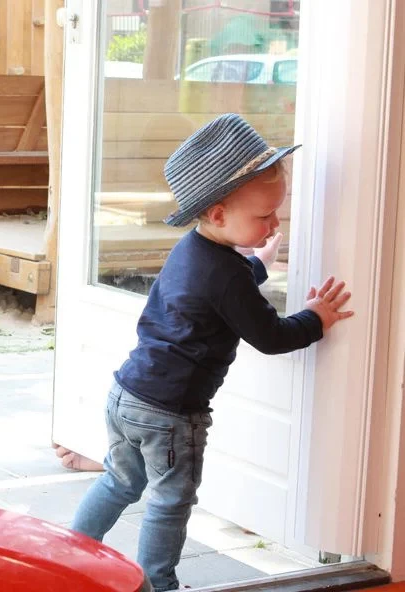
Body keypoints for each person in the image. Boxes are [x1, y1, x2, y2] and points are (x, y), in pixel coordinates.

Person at [69, 113, 354, 592]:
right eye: (264, 216)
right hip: (170, 414)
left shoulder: (191, 249)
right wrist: (315, 318)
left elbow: (215, 294)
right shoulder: (226, 274)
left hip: (127, 394)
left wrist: (256, 265)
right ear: (219, 214)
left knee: (120, 481)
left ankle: (71, 553)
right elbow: (271, 336)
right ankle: (159, 584)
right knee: (170, 502)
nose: (275, 223)